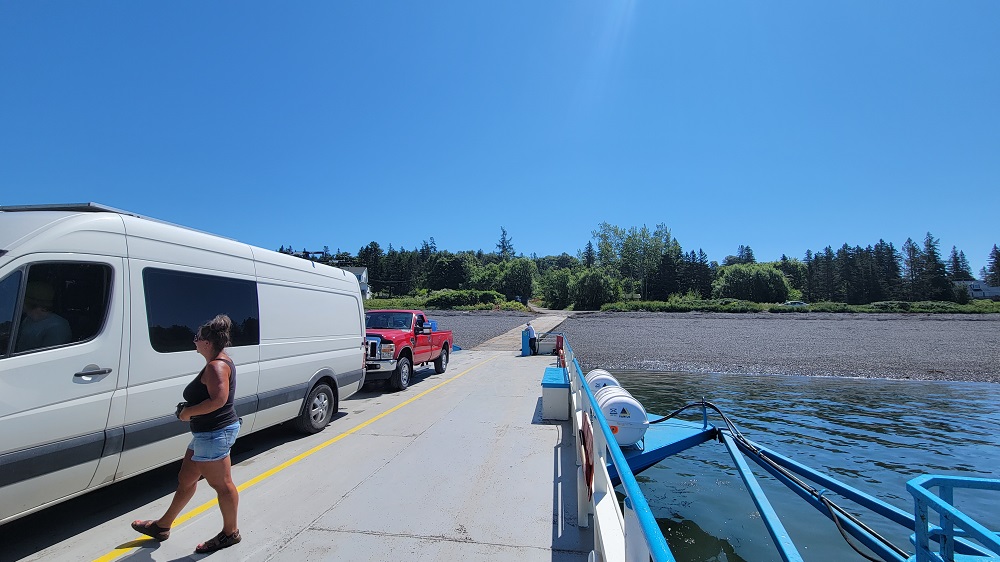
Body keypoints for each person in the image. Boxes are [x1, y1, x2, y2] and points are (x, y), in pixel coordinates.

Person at [131, 314, 242, 553]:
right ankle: (162, 526)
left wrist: (187, 413)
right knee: (186, 479)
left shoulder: (216, 366)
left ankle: (230, 533)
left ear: (207, 343)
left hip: (215, 433)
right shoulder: (218, 361)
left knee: (223, 485)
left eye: (197, 337)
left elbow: (219, 400)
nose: (194, 341)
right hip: (207, 433)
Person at [15, 281, 72, 352]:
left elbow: (47, 359)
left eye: (21, 298)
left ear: (29, 302)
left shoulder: (57, 327)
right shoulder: (27, 319)